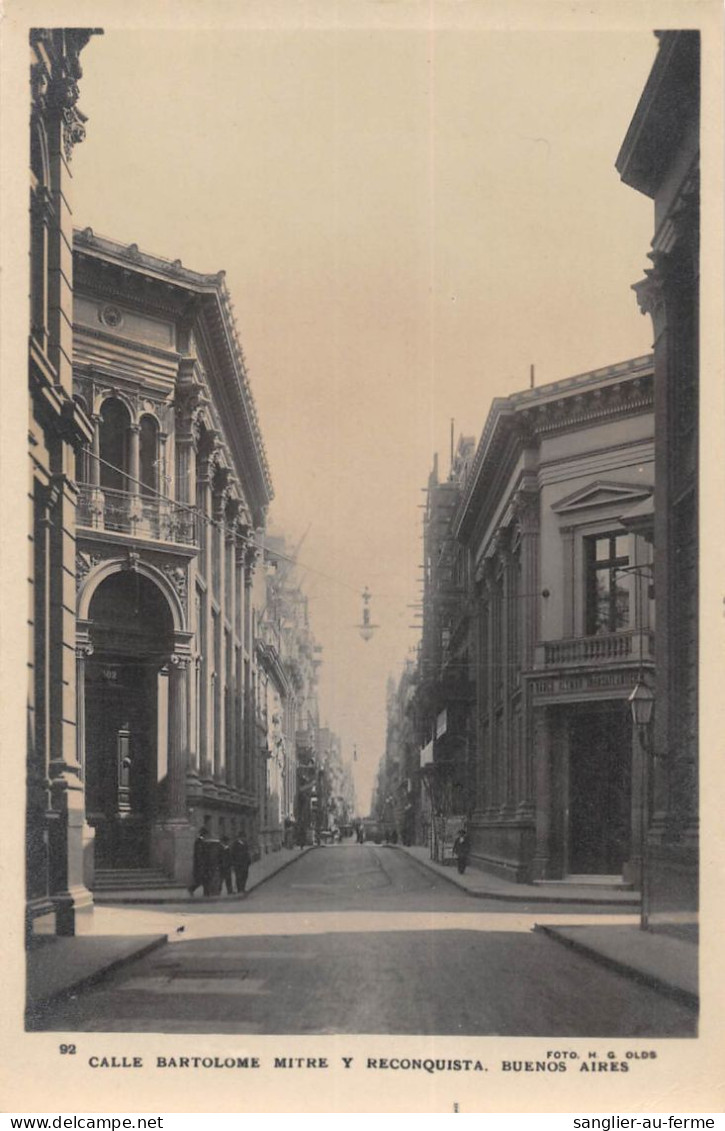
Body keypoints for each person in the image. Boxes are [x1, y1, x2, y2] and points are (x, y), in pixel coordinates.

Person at [188, 826, 209, 896]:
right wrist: (201, 863)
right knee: (201, 880)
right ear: (204, 834)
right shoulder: (199, 842)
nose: (207, 836)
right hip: (200, 864)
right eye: (206, 834)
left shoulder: (202, 841)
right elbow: (199, 854)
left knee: (204, 879)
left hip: (203, 864)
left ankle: (206, 893)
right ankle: (191, 889)